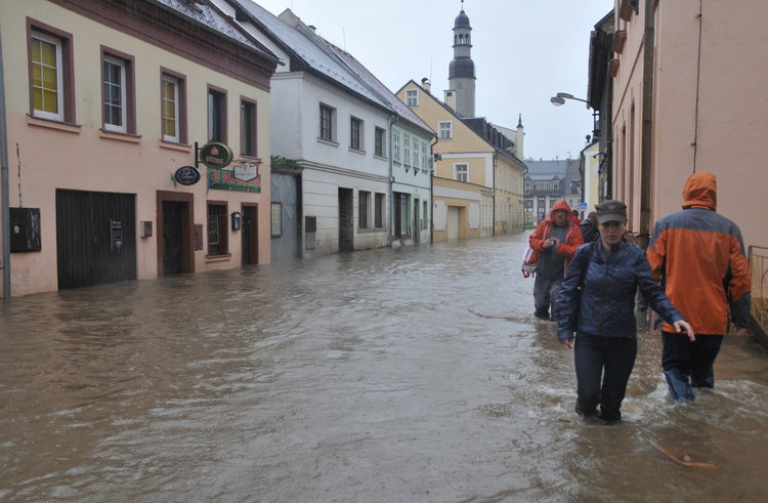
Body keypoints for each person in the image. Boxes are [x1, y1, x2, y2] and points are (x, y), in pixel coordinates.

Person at [557, 200, 693, 423]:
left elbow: (653, 292)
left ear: (624, 225)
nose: (611, 230)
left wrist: (675, 317)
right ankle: (584, 441)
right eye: (606, 225)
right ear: (599, 226)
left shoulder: (636, 257)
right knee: (588, 397)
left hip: (622, 340)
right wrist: (564, 328)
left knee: (612, 407)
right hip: (589, 337)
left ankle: (609, 451)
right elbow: (568, 291)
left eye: (616, 225)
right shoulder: (585, 254)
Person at [646, 173, 751, 401]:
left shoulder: (665, 225)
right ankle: (703, 423)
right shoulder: (730, 229)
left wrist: (644, 306)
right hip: (713, 318)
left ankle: (685, 416)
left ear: (686, 192)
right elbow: (741, 279)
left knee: (674, 368)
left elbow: (650, 271)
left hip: (675, 317)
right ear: (713, 194)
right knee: (703, 375)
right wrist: (741, 320)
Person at [529, 200, 584, 320]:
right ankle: (542, 333)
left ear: (567, 214)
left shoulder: (574, 230)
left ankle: (554, 333)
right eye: (557, 211)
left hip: (561, 276)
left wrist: (561, 247)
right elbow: (532, 240)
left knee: (558, 307)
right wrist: (542, 244)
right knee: (540, 306)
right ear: (553, 213)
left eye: (563, 212)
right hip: (542, 274)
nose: (560, 214)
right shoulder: (544, 225)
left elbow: (579, 250)